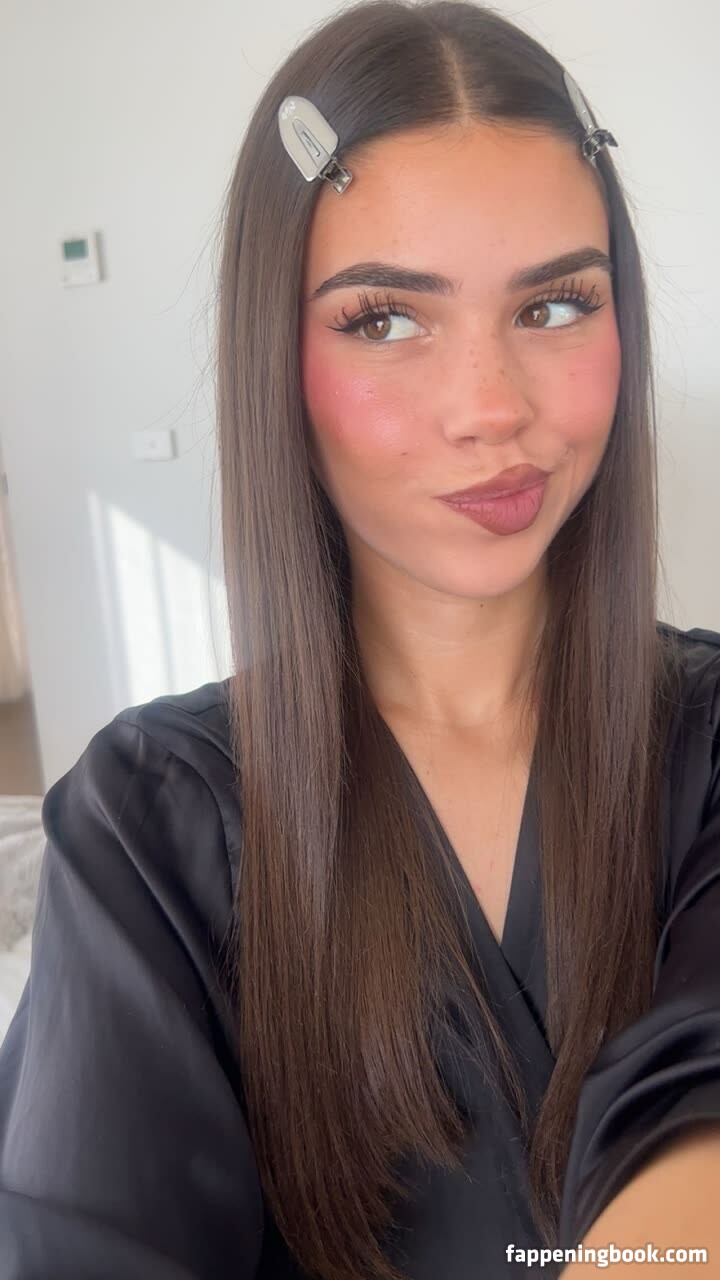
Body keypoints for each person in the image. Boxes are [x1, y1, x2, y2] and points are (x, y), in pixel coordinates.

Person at [1, 2, 719, 1276]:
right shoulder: (148, 828)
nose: (490, 408)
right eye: (385, 317)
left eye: (556, 304)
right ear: (275, 357)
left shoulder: (706, 740)